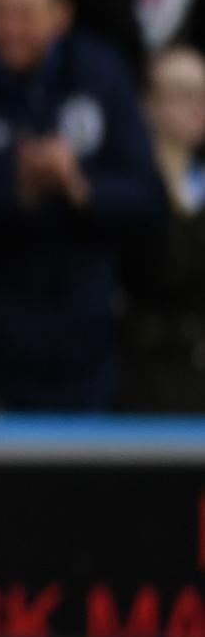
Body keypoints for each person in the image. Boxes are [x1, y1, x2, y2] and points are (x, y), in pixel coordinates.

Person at [0, 0, 162, 411]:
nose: (10, 29)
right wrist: (17, 193)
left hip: (89, 340)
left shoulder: (101, 73)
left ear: (60, 15)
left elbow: (147, 197)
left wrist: (80, 188)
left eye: (25, 14)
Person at [124, 42, 205, 409]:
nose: (198, 107)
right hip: (142, 369)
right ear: (148, 104)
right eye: (183, 95)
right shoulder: (126, 185)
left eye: (202, 94)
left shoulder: (198, 180)